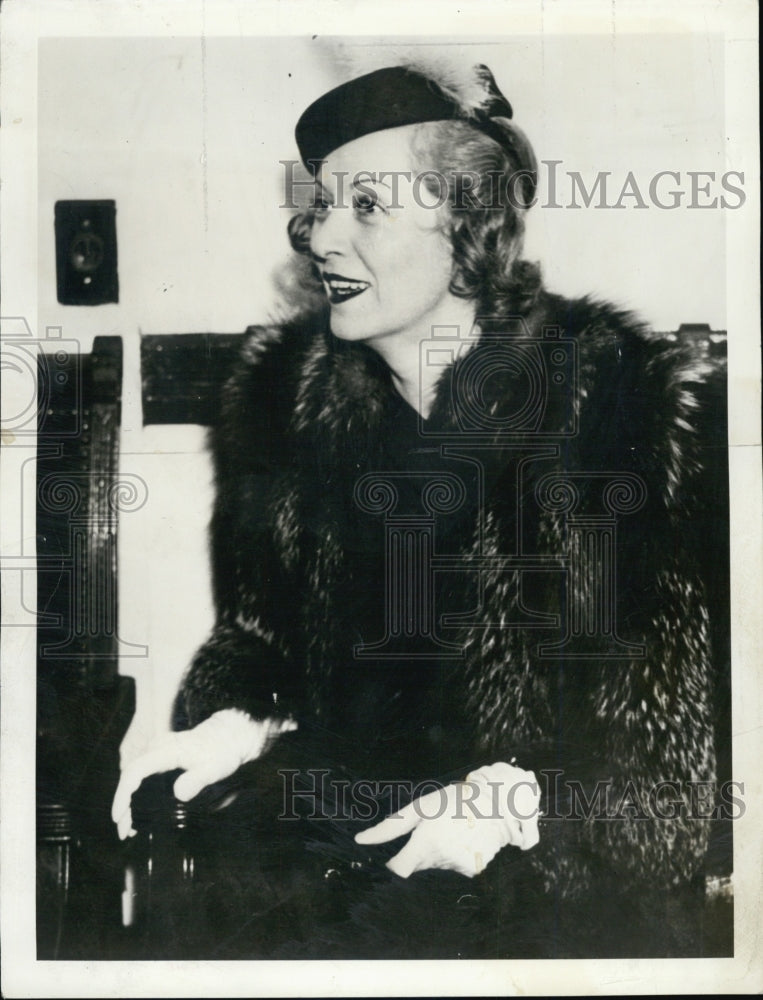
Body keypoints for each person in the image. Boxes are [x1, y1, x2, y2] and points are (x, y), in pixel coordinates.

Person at [112, 63, 725, 958]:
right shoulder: (288, 408)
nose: (324, 237)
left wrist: (516, 805)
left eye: (367, 206)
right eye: (321, 206)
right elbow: (258, 641)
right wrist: (233, 722)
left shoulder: (603, 404)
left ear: (470, 228)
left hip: (542, 882)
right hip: (336, 837)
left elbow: (656, 777)